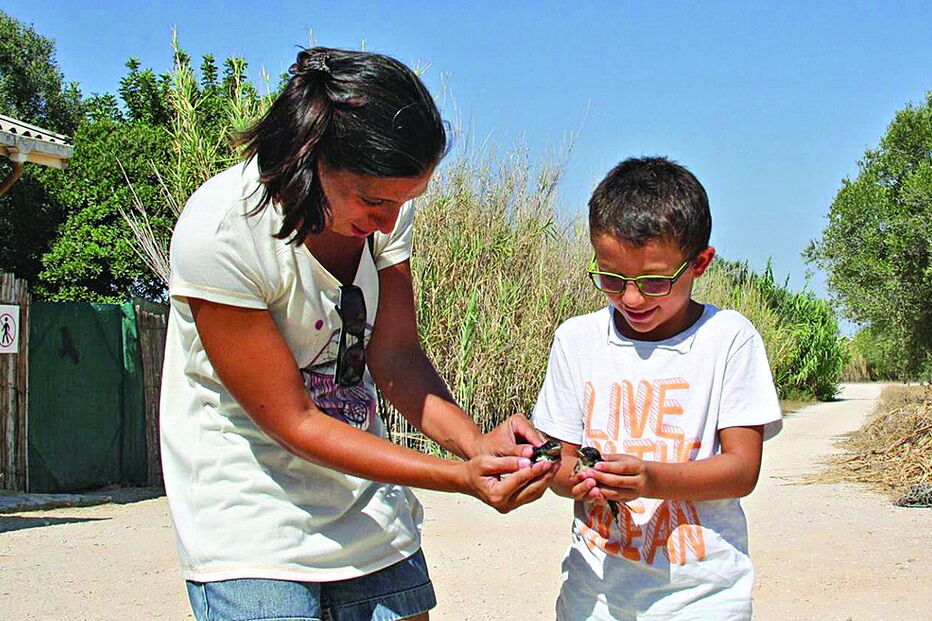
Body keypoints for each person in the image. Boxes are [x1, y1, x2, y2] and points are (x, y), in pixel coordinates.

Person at [159, 47, 557, 621]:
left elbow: (395, 356)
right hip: (249, 516)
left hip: (368, 504)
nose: (389, 222)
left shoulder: (383, 208)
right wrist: (459, 477)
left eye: (405, 201)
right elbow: (294, 422)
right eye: (373, 201)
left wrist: (476, 445)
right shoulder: (223, 230)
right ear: (309, 158)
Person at [531, 157, 783, 620]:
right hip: (594, 599)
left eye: (654, 281)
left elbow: (742, 470)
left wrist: (650, 479)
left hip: (704, 600)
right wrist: (578, 479)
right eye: (611, 278)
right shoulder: (577, 340)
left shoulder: (729, 338)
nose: (631, 298)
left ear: (700, 263)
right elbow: (559, 462)